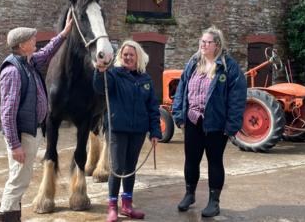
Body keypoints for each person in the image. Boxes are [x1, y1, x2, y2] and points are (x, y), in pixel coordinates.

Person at [0, 12, 73, 222]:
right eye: (31, 39)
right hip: (23, 135)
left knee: (20, 177)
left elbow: (48, 52)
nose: (35, 41)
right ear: (22, 46)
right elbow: (8, 112)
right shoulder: (13, 70)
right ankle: (7, 216)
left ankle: (11, 213)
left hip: (32, 130)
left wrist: (64, 33)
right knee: (18, 180)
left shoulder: (28, 62)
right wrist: (14, 145)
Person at [172, 26, 247, 217]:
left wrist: (231, 126)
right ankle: (190, 194)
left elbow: (237, 99)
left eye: (208, 42)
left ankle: (214, 202)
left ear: (217, 45)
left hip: (216, 124)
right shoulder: (193, 62)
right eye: (202, 41)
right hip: (192, 121)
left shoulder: (228, 66)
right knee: (191, 160)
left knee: (214, 162)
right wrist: (179, 116)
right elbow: (181, 89)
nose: (203, 45)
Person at [94, 40, 162, 222]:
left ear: (137, 57)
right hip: (117, 129)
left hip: (138, 131)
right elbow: (99, 87)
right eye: (125, 54)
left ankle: (127, 206)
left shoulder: (145, 79)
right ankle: (112, 207)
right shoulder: (113, 75)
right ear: (120, 57)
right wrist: (99, 70)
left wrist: (155, 132)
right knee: (117, 169)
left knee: (130, 169)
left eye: (131, 54)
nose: (128, 57)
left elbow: (153, 108)